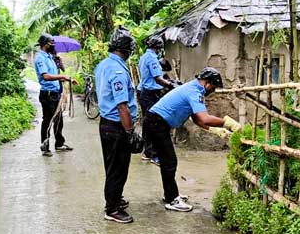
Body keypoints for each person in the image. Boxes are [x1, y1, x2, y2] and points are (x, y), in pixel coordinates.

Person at [145, 67, 238, 212]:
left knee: (167, 161)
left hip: (156, 122)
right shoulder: (195, 91)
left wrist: (215, 130)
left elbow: (196, 118)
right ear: (207, 83)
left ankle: (171, 194)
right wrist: (227, 122)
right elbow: (204, 118)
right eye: (212, 87)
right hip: (157, 123)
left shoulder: (193, 88)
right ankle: (172, 199)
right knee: (169, 161)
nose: (212, 91)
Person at [94, 26, 143, 223]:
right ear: (126, 49)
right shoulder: (118, 71)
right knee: (119, 167)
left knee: (112, 165)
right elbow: (122, 105)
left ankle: (115, 198)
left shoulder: (104, 64)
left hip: (107, 123)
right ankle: (112, 208)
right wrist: (130, 131)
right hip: (116, 125)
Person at [33, 33, 78, 156]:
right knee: (48, 120)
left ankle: (59, 144)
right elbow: (46, 76)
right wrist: (63, 76)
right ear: (44, 44)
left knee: (58, 119)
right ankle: (45, 146)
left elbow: (57, 72)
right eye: (51, 43)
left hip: (55, 93)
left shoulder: (50, 57)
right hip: (48, 95)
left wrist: (67, 78)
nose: (53, 45)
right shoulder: (40, 58)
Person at [136, 35, 175, 164]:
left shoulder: (143, 57)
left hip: (144, 92)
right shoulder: (152, 58)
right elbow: (158, 78)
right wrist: (171, 84)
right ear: (158, 47)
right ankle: (152, 154)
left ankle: (147, 152)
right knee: (153, 124)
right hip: (150, 94)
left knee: (147, 123)